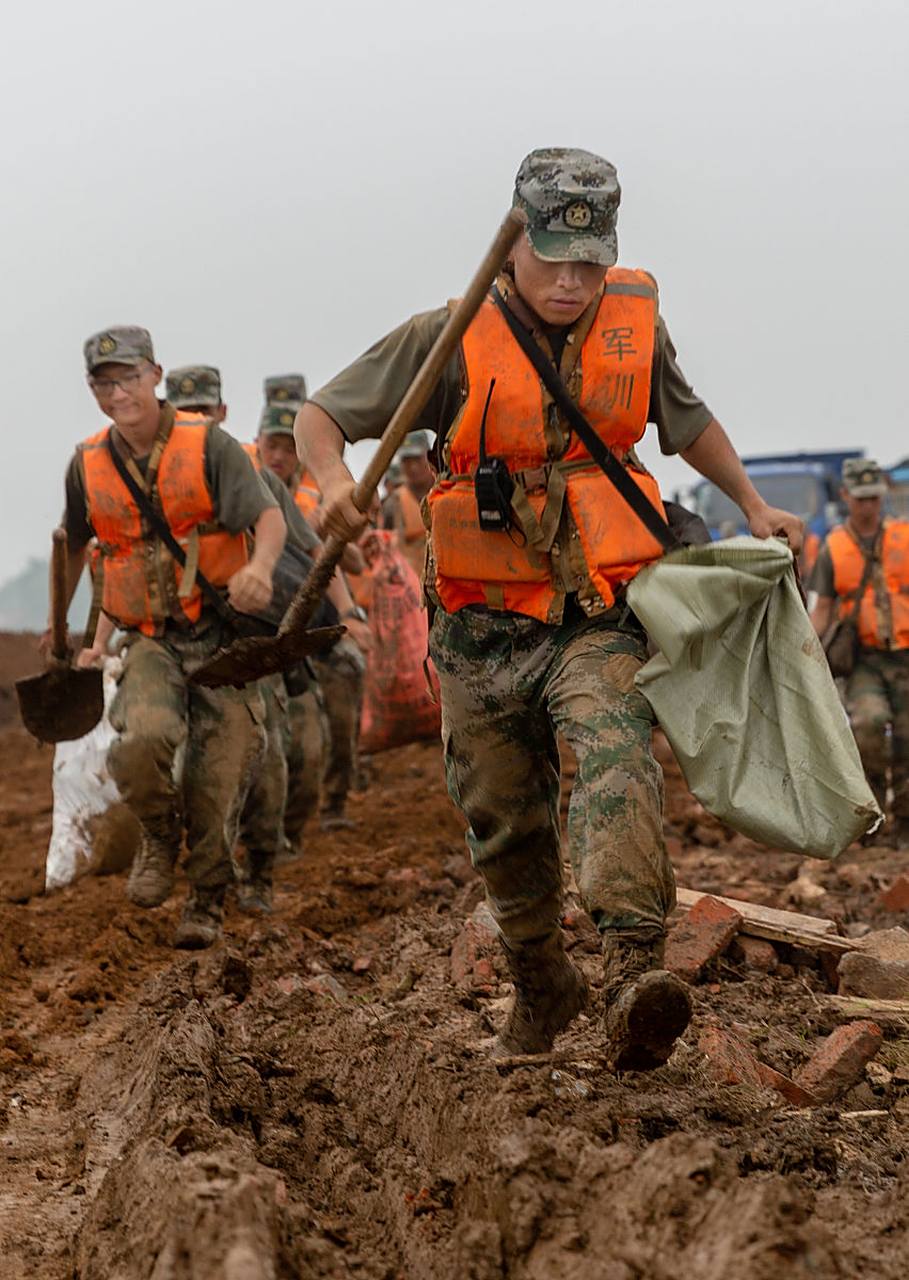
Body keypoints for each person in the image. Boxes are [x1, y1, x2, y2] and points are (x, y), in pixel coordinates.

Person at [296, 148, 804, 1068]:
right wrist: (332, 482)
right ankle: (541, 986)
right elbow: (321, 417)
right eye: (552, 259)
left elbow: (687, 424)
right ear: (512, 247)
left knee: (616, 752)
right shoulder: (447, 335)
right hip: (479, 626)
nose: (571, 281)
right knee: (502, 817)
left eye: (589, 262)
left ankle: (632, 975)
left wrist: (754, 503)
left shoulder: (633, 326)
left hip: (592, 610)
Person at [57, 329, 285, 948]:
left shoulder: (208, 444)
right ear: (92, 389)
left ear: (155, 375)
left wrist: (260, 569)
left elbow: (268, 517)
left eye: (129, 378)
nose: (118, 394)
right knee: (139, 744)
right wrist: (65, 629)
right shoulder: (88, 463)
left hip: (222, 638)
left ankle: (206, 901)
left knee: (216, 780)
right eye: (104, 383)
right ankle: (159, 833)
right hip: (150, 639)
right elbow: (74, 545)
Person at [253, 404, 371, 833]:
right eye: (272, 445)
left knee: (346, 679)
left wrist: (348, 613)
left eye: (289, 448)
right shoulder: (245, 485)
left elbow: (340, 560)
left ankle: (334, 800)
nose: (279, 456)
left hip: (314, 622)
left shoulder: (316, 494)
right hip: (265, 626)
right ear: (259, 443)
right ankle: (269, 826)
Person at [810, 459, 909, 849]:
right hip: (865, 660)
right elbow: (822, 609)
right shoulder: (834, 548)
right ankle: (873, 818)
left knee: (907, 737)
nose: (868, 505)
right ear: (845, 496)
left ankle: (905, 823)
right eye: (860, 498)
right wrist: (806, 653)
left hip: (905, 655)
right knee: (868, 727)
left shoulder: (903, 537)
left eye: (874, 498)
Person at [386, 430, 432, 578]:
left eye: (417, 459)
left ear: (429, 456)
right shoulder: (393, 504)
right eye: (406, 460)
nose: (412, 467)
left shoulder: (447, 492)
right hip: (413, 586)